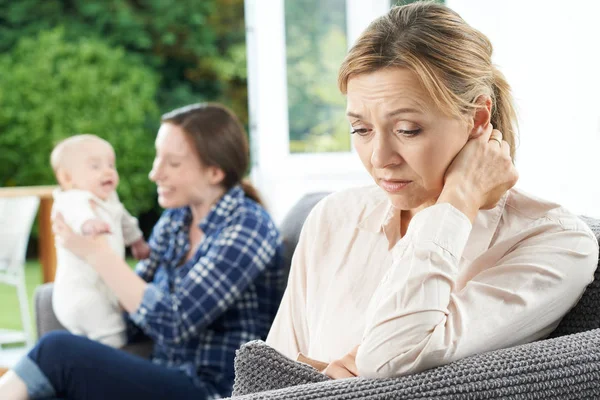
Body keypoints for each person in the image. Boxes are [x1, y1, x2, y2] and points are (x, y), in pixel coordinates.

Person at [266, 1, 599, 381]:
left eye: (407, 130)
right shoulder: (335, 216)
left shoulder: (555, 242)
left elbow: (390, 357)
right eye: (361, 130)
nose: (380, 158)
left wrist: (458, 201)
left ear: (477, 119)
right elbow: (271, 378)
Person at [0, 103, 285, 399]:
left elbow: (175, 323)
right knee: (56, 387)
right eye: (157, 157)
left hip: (213, 389)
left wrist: (96, 254)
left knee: (56, 351)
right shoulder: (177, 219)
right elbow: (134, 306)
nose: (154, 173)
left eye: (172, 163)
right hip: (162, 372)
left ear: (214, 172)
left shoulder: (248, 227)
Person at [50, 134, 150, 348]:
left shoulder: (109, 200)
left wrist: (137, 241)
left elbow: (125, 221)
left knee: (93, 339)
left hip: (100, 289)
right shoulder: (72, 198)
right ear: (68, 178)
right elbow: (76, 215)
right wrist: (88, 224)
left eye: (111, 165)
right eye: (95, 166)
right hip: (80, 292)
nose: (107, 171)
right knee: (113, 335)